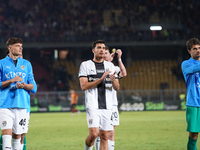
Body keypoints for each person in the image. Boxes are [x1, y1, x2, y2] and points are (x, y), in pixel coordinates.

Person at [79, 40, 120, 150]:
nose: (101, 50)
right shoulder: (85, 65)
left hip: (107, 107)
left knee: (105, 136)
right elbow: (84, 86)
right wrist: (101, 79)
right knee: (94, 134)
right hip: (93, 105)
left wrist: (113, 81)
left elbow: (117, 87)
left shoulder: (110, 66)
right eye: (99, 48)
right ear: (93, 50)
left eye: (103, 48)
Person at [0, 37, 37, 150]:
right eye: (17, 46)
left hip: (22, 106)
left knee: (17, 138)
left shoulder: (27, 64)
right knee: (6, 138)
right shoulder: (1, 63)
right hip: (5, 105)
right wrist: (12, 80)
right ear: (10, 48)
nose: (20, 48)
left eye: (21, 46)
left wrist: (24, 85)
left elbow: (33, 87)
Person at [94, 46, 127, 150]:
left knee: (111, 133)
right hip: (99, 103)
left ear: (111, 56)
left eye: (106, 53)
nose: (104, 55)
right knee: (100, 133)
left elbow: (124, 73)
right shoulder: (96, 67)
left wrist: (119, 58)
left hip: (112, 105)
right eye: (103, 53)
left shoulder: (114, 68)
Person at [181, 37, 200, 150]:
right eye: (195, 49)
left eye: (199, 48)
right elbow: (195, 69)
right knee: (194, 135)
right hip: (194, 103)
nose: (198, 50)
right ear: (189, 51)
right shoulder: (186, 64)